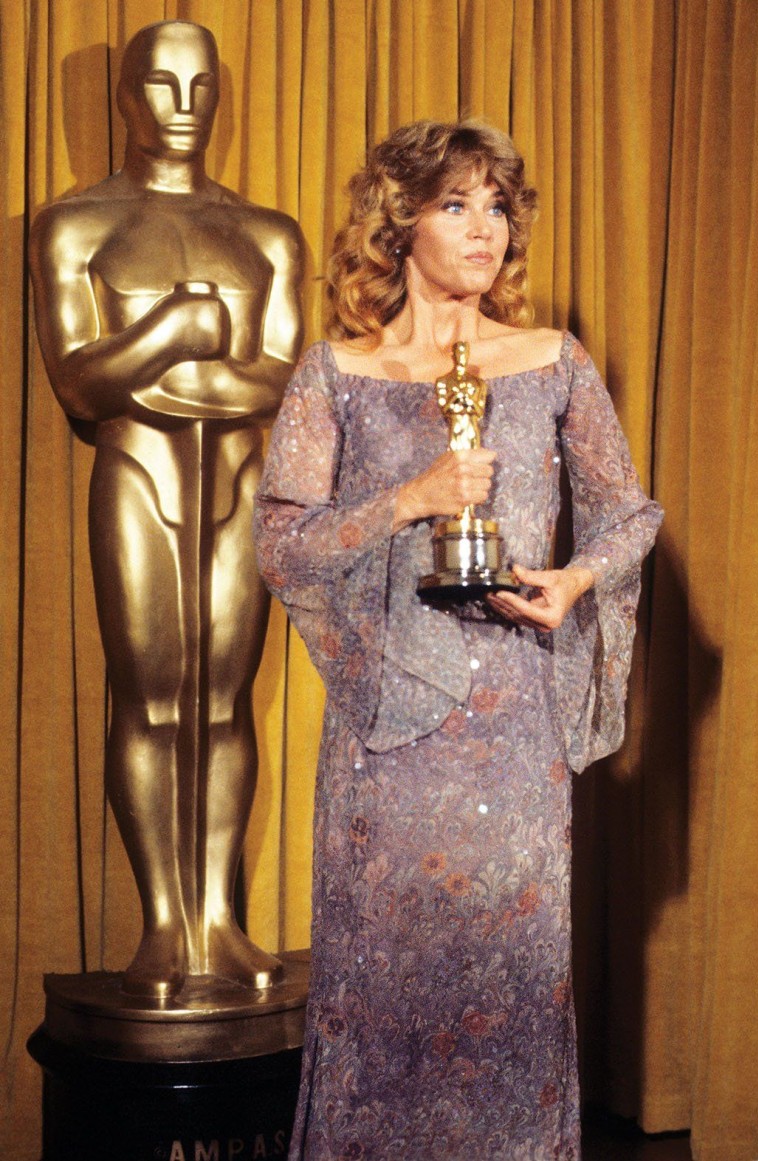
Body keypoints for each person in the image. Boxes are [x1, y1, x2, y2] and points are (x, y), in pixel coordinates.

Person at [253, 120, 662, 1159]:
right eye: (455, 204)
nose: (484, 229)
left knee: (515, 982)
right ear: (399, 223)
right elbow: (282, 545)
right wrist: (409, 499)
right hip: (388, 736)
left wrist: (572, 581)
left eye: (498, 208)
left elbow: (629, 518)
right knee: (383, 983)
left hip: (515, 726)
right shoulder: (336, 372)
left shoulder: (553, 361)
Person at [29, 21, 303, 1000]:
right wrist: (176, 332)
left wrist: (147, 373)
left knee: (225, 703)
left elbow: (284, 382)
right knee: (149, 699)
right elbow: (77, 382)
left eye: (200, 86)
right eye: (159, 85)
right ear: (124, 96)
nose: (182, 107)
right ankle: (162, 926)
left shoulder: (266, 233)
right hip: (137, 476)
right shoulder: (74, 226)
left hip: (238, 482)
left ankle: (217, 921)